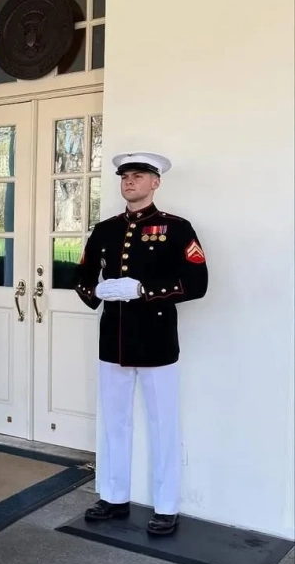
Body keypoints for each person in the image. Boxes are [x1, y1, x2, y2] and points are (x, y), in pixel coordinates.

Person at [74, 152, 208, 536]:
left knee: (163, 424)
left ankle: (166, 506)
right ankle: (113, 497)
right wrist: (97, 291)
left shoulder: (176, 228)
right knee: (114, 422)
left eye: (138, 175)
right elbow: (82, 276)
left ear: (155, 182)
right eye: (125, 176)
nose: (129, 181)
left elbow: (197, 283)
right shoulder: (105, 230)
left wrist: (143, 290)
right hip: (113, 340)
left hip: (156, 341)